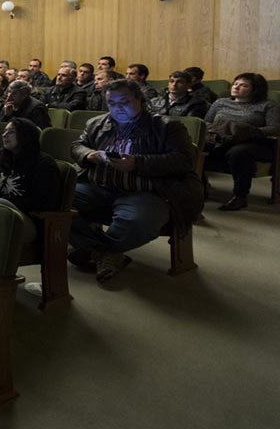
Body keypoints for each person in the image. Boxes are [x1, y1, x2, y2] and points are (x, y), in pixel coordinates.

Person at [68, 79, 201, 283]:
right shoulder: (96, 124)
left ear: (140, 99)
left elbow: (185, 160)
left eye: (124, 102)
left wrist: (138, 163)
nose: (117, 108)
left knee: (137, 221)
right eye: (112, 103)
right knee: (54, 200)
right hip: (98, 187)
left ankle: (93, 249)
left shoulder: (167, 127)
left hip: (145, 193)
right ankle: (103, 252)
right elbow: (78, 145)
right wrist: (89, 155)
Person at [0, 118, 59, 244]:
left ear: (25, 135)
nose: (4, 135)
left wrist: (1, 199)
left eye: (11, 132)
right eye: (4, 131)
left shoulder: (43, 163)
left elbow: (43, 202)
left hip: (26, 220)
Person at [204, 73, 279, 210]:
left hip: (254, 143)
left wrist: (247, 130)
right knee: (197, 146)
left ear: (255, 89)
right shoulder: (220, 102)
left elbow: (274, 128)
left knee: (238, 152)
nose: (236, 87)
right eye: (235, 84)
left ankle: (240, 196)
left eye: (243, 85)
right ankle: (200, 187)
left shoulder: (267, 105)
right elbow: (206, 123)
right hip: (221, 139)